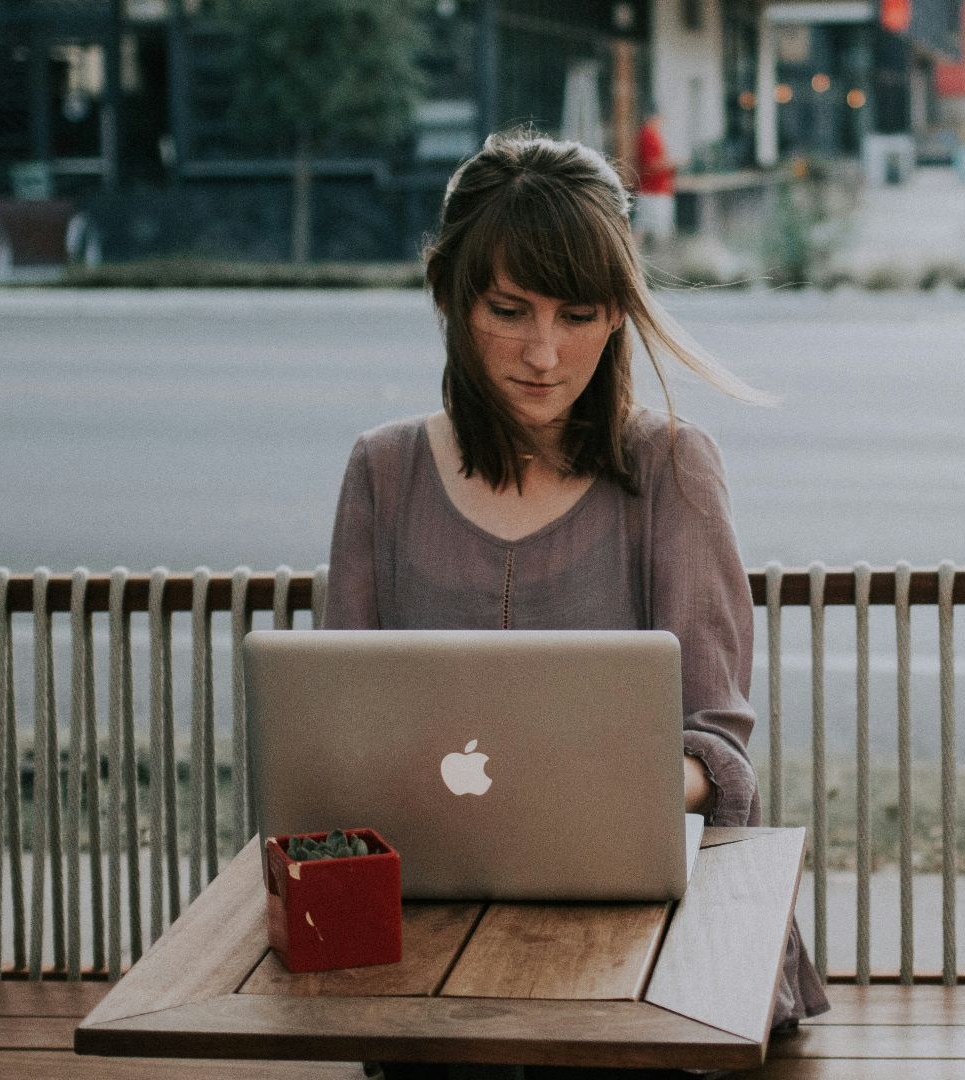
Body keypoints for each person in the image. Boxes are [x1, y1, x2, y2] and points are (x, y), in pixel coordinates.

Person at [325, 127, 829, 1077]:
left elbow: (718, 751)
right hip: (431, 940)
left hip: (649, 949)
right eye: (508, 310)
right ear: (449, 296)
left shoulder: (672, 466)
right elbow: (337, 730)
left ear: (618, 315)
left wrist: (576, 803)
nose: (545, 354)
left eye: (581, 314)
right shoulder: (382, 473)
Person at [633, 111, 676, 253]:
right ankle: (655, 258)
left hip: (657, 190)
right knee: (650, 228)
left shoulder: (653, 135)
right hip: (652, 191)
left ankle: (652, 257)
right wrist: (671, 164)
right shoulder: (648, 135)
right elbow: (651, 165)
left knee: (646, 227)